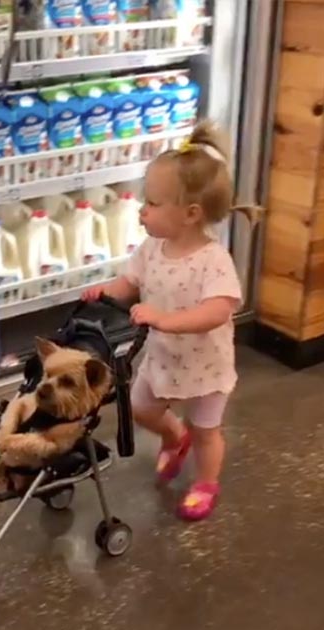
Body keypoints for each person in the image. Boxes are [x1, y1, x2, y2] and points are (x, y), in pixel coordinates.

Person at [81, 121, 261, 521]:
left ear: (190, 214)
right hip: (163, 358)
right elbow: (132, 282)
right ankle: (172, 436)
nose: (142, 210)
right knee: (140, 408)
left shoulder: (213, 260)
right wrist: (108, 291)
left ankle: (205, 482)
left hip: (206, 364)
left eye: (153, 203)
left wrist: (165, 319)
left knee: (206, 431)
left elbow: (218, 310)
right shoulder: (152, 248)